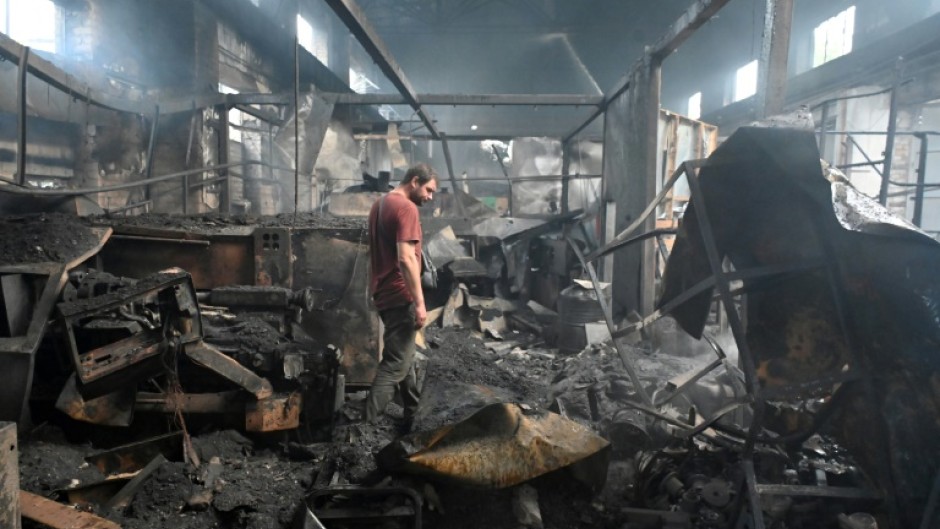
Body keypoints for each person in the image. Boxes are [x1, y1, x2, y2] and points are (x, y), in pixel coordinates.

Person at [365, 163, 438, 428]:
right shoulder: (406, 208)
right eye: (428, 190)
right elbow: (406, 259)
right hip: (400, 294)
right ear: (415, 181)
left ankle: (412, 415)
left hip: (384, 292)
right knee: (395, 364)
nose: (429, 197)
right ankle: (366, 427)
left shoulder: (381, 203)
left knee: (404, 354)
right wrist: (419, 303)